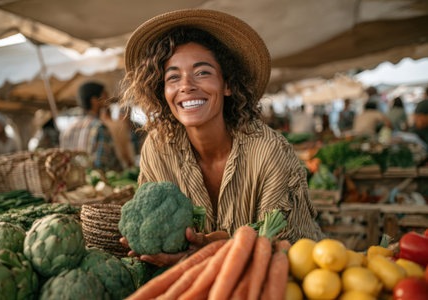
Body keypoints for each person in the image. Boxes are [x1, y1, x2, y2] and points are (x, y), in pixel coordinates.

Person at [119, 9, 323, 267]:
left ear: (228, 85)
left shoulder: (269, 149)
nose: (186, 86)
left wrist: (221, 246)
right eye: (173, 77)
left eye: (202, 72)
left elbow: (287, 244)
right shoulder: (158, 148)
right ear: (163, 92)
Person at [60, 81, 120, 171]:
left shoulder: (67, 129)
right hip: (96, 183)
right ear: (94, 101)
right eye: (105, 95)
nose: (108, 99)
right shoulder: (99, 127)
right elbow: (102, 165)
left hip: (74, 181)